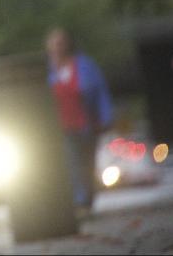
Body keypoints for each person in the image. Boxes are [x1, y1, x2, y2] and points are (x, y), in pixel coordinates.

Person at [45, 26, 113, 213]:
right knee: (72, 163)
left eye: (61, 42)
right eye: (54, 42)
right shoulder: (47, 71)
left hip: (86, 124)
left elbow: (100, 91)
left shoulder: (84, 65)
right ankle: (79, 201)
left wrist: (106, 117)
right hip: (62, 127)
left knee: (88, 164)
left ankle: (88, 199)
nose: (58, 46)